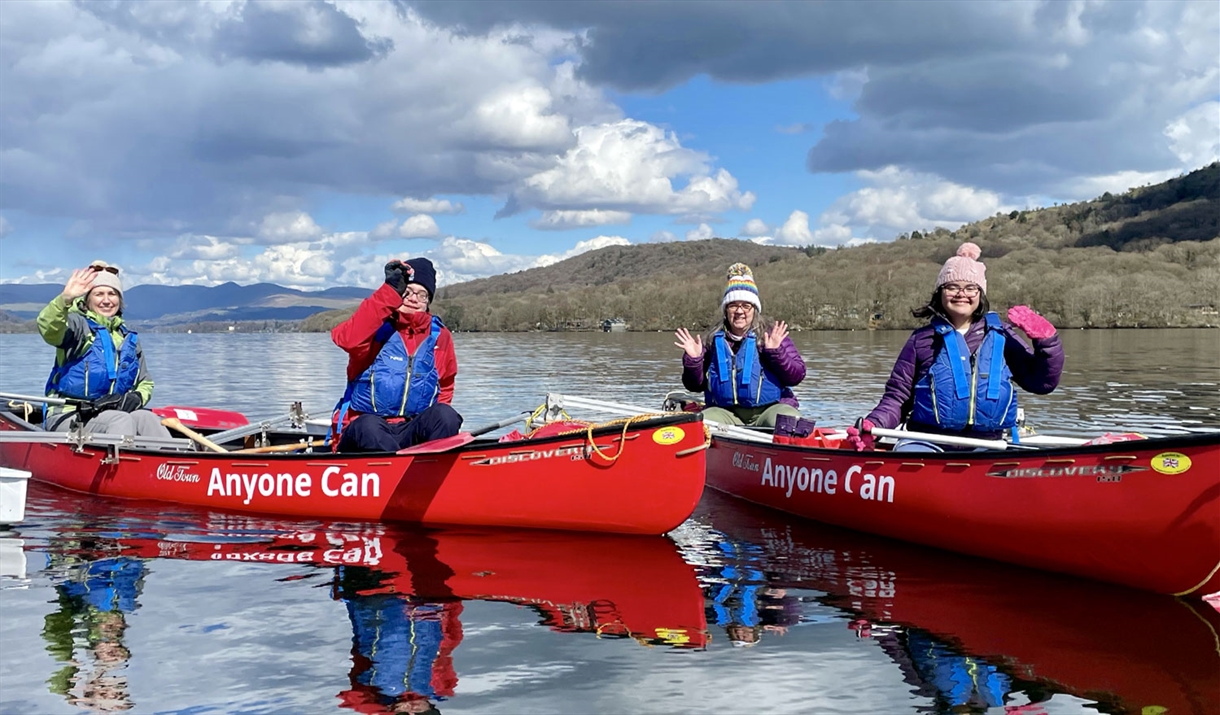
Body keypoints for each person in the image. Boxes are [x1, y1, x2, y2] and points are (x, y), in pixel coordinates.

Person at [846, 243, 1063, 452]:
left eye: (971, 288)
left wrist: (1048, 342)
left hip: (989, 445)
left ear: (981, 294)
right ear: (940, 293)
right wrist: (874, 425)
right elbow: (897, 397)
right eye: (952, 287)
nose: (962, 294)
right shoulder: (921, 340)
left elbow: (1042, 382)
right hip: (926, 441)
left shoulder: (1003, 336)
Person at [331, 257, 463, 452]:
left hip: (409, 430)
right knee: (370, 427)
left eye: (422, 295)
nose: (413, 299)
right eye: (407, 292)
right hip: (364, 432)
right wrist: (389, 292)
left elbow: (445, 388)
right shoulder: (374, 328)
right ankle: (397, 471)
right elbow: (345, 339)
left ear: (428, 302)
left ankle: (432, 469)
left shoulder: (439, 336)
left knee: (446, 415)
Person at [39, 261, 171, 438]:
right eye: (99, 294)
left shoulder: (128, 338)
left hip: (111, 413)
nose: (107, 300)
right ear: (87, 300)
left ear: (120, 300)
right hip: (69, 415)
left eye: (112, 294)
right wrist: (65, 299)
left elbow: (145, 382)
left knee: (147, 418)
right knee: (120, 420)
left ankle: (170, 464)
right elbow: (49, 328)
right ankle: (118, 463)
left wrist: (137, 397)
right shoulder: (77, 327)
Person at [674, 263, 806, 428]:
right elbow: (694, 386)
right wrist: (693, 361)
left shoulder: (772, 335)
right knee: (701, 424)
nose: (739, 311)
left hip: (769, 410)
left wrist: (776, 353)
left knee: (791, 422)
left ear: (754, 309)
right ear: (726, 310)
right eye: (733, 305)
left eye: (746, 305)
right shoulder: (711, 340)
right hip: (726, 413)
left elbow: (797, 376)